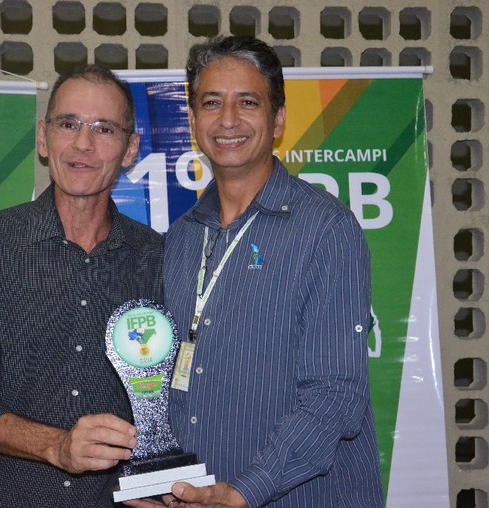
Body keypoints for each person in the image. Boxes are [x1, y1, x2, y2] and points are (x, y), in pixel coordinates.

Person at [134, 36, 384, 507]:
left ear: (279, 119)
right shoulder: (182, 237)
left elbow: (335, 395)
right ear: (193, 121)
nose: (228, 120)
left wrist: (245, 491)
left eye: (247, 102)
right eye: (211, 103)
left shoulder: (326, 229)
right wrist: (158, 481)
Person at [0, 66, 164, 507]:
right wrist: (57, 446)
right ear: (43, 137)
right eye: (68, 124)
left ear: (130, 149)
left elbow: (167, 396)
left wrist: (157, 481)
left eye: (104, 129)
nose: (83, 143)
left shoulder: (157, 257)